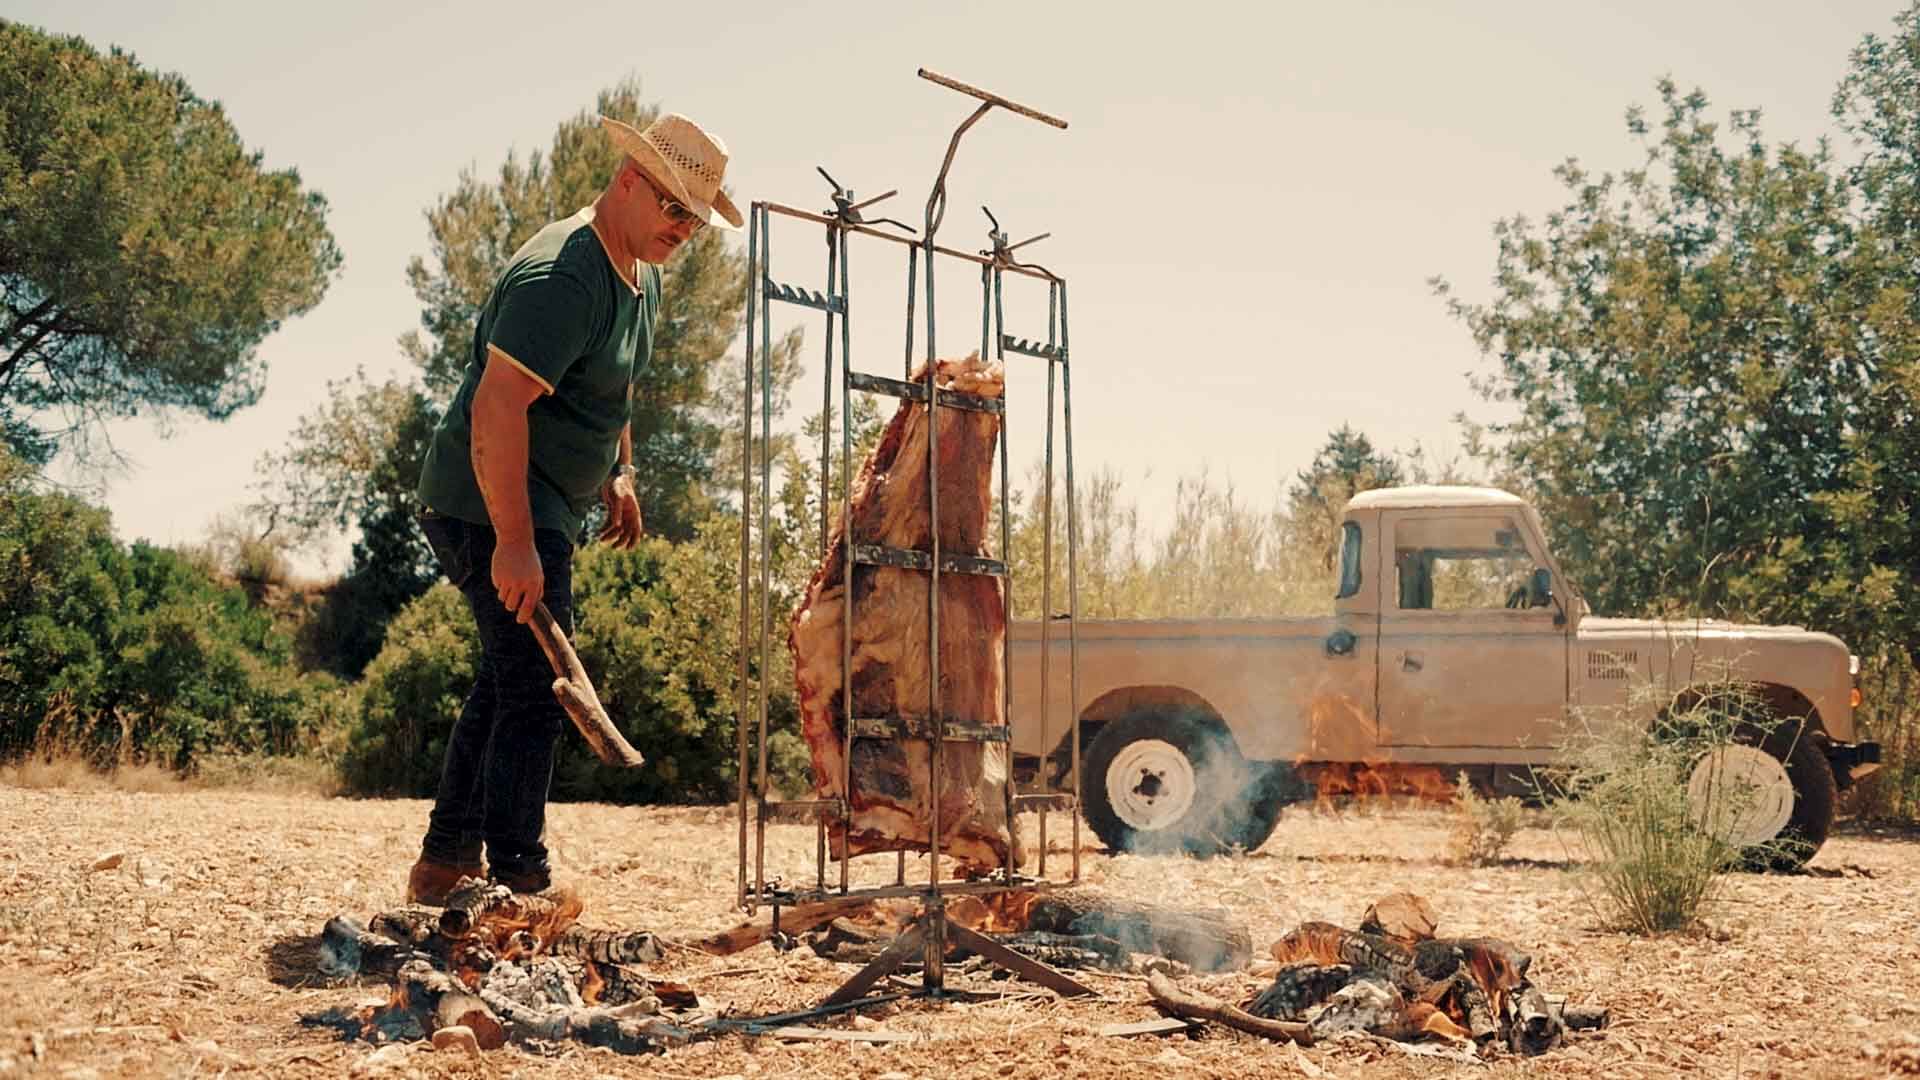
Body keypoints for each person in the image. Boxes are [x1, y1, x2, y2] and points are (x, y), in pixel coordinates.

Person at [405, 113, 744, 904]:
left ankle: (444, 863)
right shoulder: (563, 277)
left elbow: (609, 386)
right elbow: (496, 410)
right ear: (630, 180)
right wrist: (514, 543)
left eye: (696, 218)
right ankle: (521, 883)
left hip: (545, 502)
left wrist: (619, 473)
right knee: (536, 689)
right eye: (673, 209)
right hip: (483, 501)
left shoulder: (642, 271)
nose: (684, 230)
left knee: (506, 677)